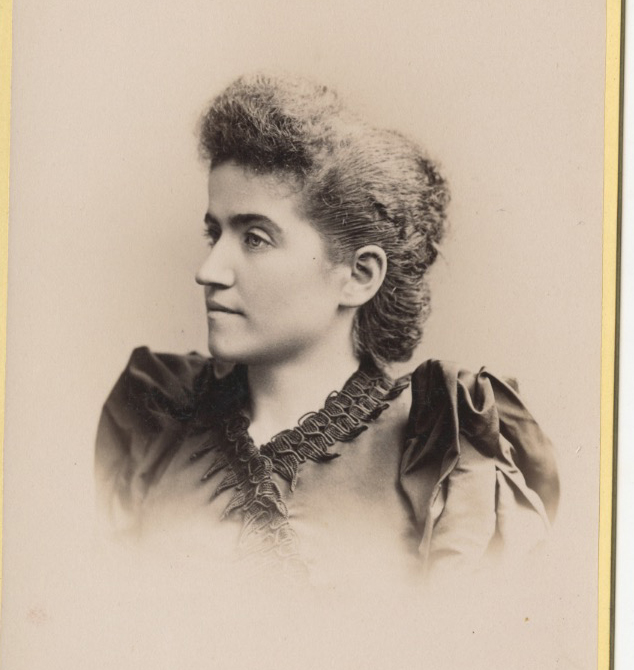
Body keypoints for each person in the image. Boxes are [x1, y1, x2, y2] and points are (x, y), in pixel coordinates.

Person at [95, 73, 559, 591]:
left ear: (358, 276)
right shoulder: (153, 423)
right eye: (214, 233)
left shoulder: (446, 448)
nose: (209, 271)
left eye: (255, 238)